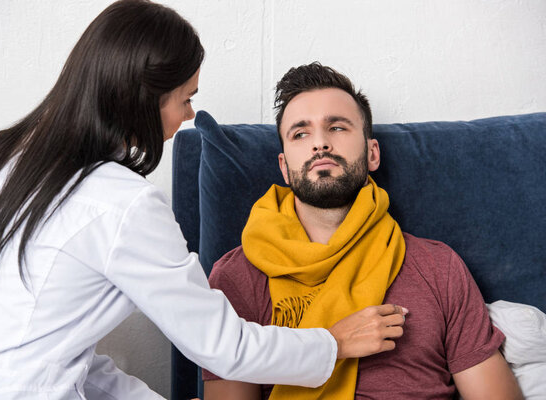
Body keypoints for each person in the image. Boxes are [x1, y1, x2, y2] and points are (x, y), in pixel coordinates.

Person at [0, 3, 408, 400]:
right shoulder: (123, 205)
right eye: (186, 99)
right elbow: (222, 347)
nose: (189, 115)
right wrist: (332, 343)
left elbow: (53, 353)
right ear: (141, 99)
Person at [202, 62, 523, 399]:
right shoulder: (237, 276)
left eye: (337, 128)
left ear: (372, 154)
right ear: (284, 166)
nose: (320, 144)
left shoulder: (438, 267)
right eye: (301, 133)